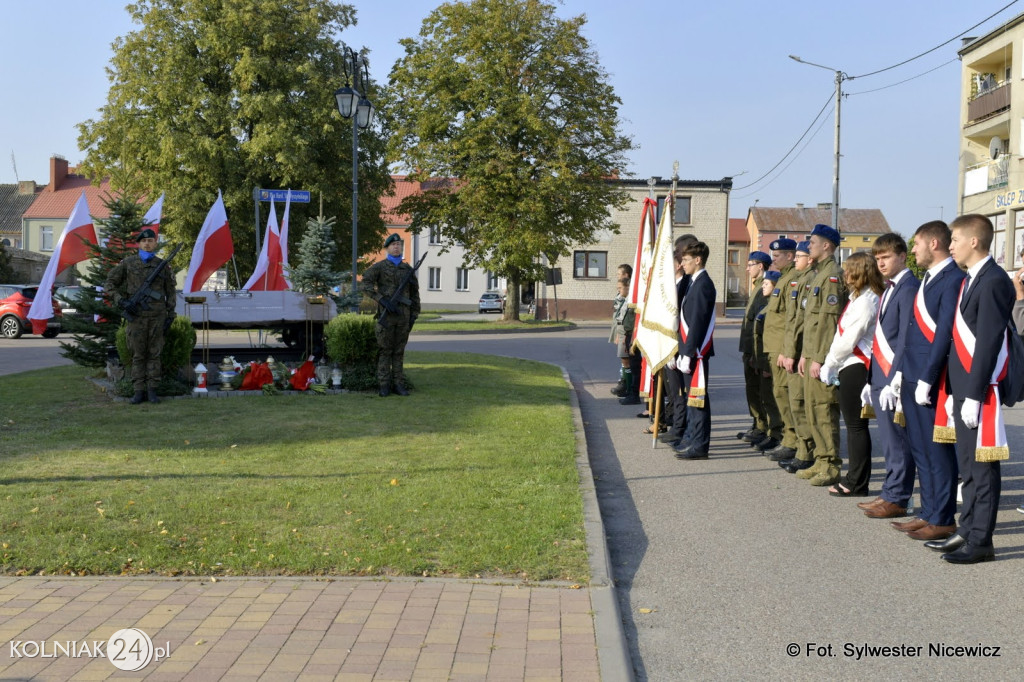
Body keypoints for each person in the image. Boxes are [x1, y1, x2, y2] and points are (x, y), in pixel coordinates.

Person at [933, 214, 1013, 564]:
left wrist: (975, 394)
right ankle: (967, 528)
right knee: (967, 463)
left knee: (982, 469)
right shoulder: (972, 279)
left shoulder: (993, 280)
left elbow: (989, 342)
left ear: (974, 242)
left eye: (954, 239)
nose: (950, 245)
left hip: (979, 390)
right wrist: (953, 388)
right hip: (963, 387)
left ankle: (981, 540)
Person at [893, 220, 964, 541]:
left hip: (931, 380)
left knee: (937, 450)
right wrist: (900, 373)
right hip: (911, 376)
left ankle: (943, 517)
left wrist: (927, 377)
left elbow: (944, 334)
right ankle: (928, 511)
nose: (913, 251)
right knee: (920, 448)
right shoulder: (928, 278)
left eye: (916, 244)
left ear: (933, 243)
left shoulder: (952, 279)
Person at [860, 234, 919, 519]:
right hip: (880, 376)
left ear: (903, 256)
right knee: (889, 440)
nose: (881, 263)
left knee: (898, 440)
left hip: (894, 378)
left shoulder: (908, 288)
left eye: (886, 257)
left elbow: (906, 338)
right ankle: (889, 491)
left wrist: (895, 377)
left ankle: (898, 497)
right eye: (878, 258)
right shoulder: (890, 288)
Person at [819, 252, 882, 496]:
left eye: (850, 270)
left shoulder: (868, 300)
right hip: (848, 363)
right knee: (854, 426)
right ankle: (855, 479)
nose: (846, 274)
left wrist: (830, 363)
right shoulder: (858, 297)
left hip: (857, 364)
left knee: (856, 426)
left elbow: (849, 339)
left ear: (861, 272)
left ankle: (856, 483)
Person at [797, 224, 848, 486]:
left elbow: (828, 323)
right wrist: (805, 355)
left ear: (827, 245)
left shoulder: (832, 276)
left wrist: (819, 358)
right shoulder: (817, 275)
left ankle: (830, 465)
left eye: (813, 242)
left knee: (824, 410)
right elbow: (810, 323)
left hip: (823, 357)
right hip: (811, 354)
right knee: (812, 409)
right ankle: (820, 458)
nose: (809, 246)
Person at [106, 227, 177, 405]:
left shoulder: (162, 265)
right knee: (138, 355)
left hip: (157, 317)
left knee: (155, 354)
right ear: (139, 244)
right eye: (144, 241)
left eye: (150, 241)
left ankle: (152, 391)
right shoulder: (128, 263)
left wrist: (171, 313)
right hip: (136, 316)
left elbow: (171, 291)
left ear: (155, 243)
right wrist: (121, 301)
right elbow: (110, 283)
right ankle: (138, 391)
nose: (147, 243)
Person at [362, 234, 421, 397]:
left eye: (399, 244)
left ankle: (399, 385)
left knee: (399, 352)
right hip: (386, 318)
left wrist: (414, 314)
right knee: (385, 351)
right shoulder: (379, 267)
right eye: (393, 244)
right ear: (387, 248)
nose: (396, 247)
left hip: (403, 317)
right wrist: (381, 299)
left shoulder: (407, 270)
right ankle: (384, 385)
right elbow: (365, 284)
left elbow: (415, 294)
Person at [672, 240, 716, 460]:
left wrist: (688, 353)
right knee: (692, 399)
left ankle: (700, 445)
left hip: (696, 352)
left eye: (687, 260)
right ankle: (691, 437)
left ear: (698, 260)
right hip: (690, 351)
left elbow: (697, 322)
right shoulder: (692, 282)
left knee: (698, 400)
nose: (683, 263)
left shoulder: (703, 284)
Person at [778, 241, 818, 473]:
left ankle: (806, 452)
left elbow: (803, 324)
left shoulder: (810, 281)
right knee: (795, 402)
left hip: (802, 353)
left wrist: (793, 352)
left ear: (810, 259)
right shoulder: (800, 281)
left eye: (799, 256)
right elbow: (791, 321)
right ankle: (802, 448)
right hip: (793, 350)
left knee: (801, 404)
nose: (795, 260)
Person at [761, 239, 801, 462]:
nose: (773, 259)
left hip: (782, 349)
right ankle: (788, 437)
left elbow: (791, 320)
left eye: (777, 256)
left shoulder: (792, 280)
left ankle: (792, 440)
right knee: (779, 394)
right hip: (774, 347)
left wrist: (788, 351)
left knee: (785, 395)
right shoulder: (784, 278)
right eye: (773, 255)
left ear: (789, 256)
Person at [738, 251, 781, 448]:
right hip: (750, 349)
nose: (747, 268)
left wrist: (758, 356)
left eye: (750, 264)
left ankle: (765, 427)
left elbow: (764, 326)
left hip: (758, 351)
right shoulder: (758, 287)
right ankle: (758, 424)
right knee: (753, 390)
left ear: (760, 266)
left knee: (761, 391)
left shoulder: (767, 286)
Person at [663, 234, 698, 447]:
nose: (680, 261)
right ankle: (678, 428)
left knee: (685, 394)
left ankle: (682, 431)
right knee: (674, 392)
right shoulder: (681, 283)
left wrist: (683, 351)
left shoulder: (692, 283)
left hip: (685, 348)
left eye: (681, 256)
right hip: (674, 346)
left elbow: (691, 321)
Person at [610, 277, 636, 399]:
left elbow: (630, 320)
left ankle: (629, 388)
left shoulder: (631, 300)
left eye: (620, 288)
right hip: (621, 331)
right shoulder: (623, 299)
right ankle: (625, 385)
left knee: (627, 361)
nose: (618, 290)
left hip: (627, 332)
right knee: (623, 361)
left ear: (628, 287)